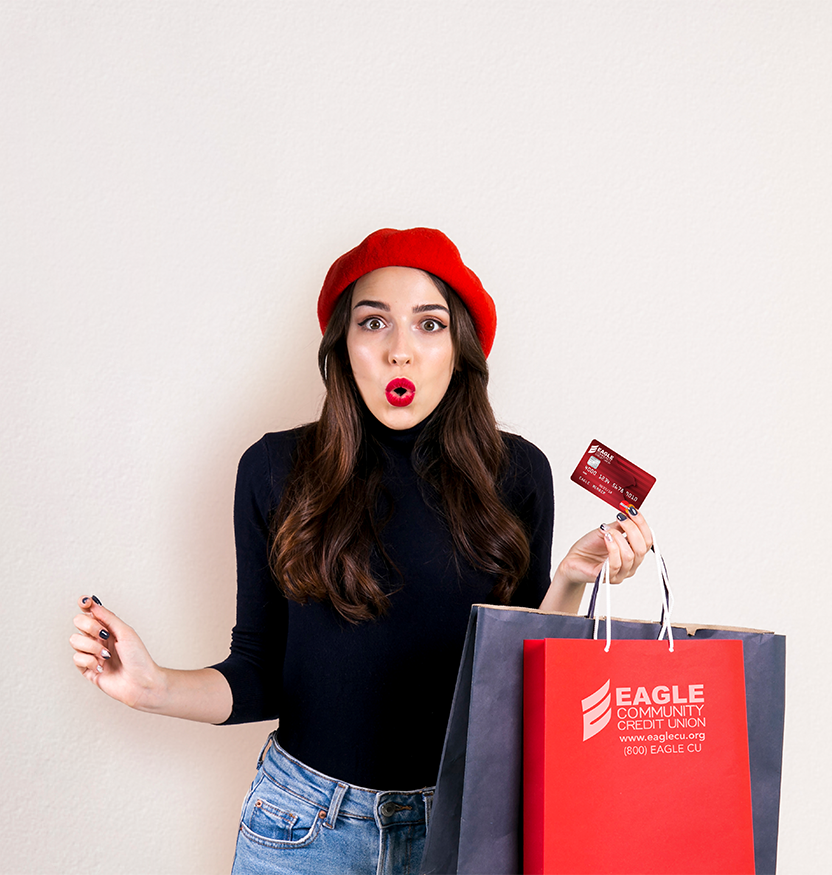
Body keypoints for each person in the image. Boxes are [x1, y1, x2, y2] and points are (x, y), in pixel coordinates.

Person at [70, 228, 653, 874]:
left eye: (428, 325)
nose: (399, 351)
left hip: (461, 829)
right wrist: (152, 687)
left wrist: (572, 576)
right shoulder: (273, 468)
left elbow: (516, 685)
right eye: (373, 322)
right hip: (303, 829)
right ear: (343, 346)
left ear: (459, 349)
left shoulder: (515, 474)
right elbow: (262, 672)